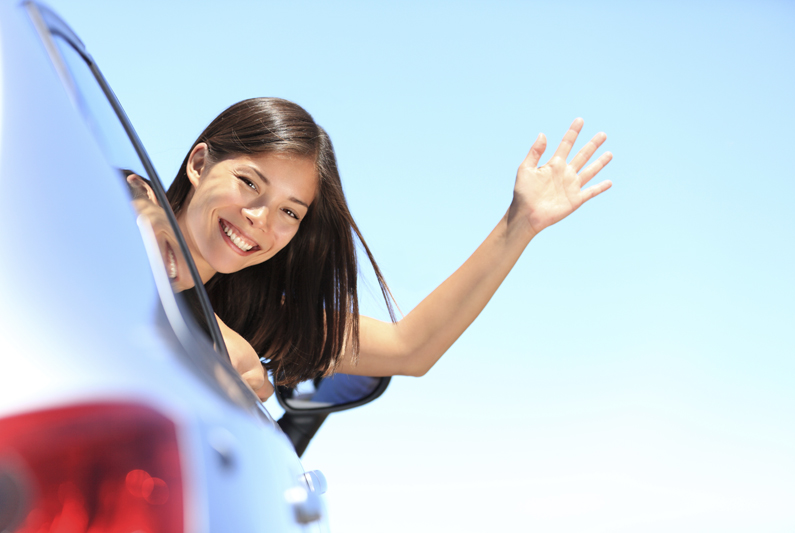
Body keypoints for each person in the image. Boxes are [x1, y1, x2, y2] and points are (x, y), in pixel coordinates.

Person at [165, 98, 613, 400]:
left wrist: (521, 223)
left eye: (290, 213)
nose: (260, 219)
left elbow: (408, 349)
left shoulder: (261, 312)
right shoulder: (124, 209)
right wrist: (217, 339)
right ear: (200, 164)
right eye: (249, 183)